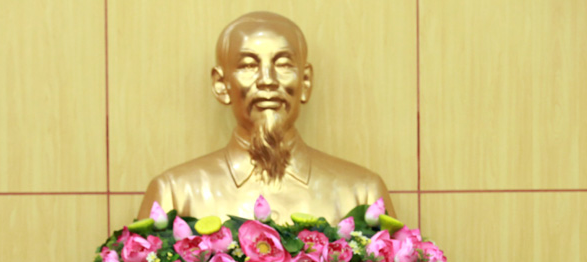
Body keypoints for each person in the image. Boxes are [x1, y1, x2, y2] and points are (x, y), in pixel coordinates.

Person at [137, 11, 395, 224]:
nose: (268, 80)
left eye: (283, 64)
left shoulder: (363, 193)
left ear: (305, 82)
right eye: (248, 65)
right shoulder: (174, 194)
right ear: (221, 84)